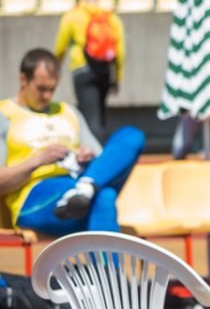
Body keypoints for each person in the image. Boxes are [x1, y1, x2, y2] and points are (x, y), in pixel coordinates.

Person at [0, 48, 144, 235]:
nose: (47, 96)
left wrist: (87, 158)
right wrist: (39, 160)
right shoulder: (4, 113)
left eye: (52, 89)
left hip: (77, 184)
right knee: (105, 197)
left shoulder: (68, 112)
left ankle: (85, 188)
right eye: (41, 89)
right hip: (34, 196)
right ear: (23, 79)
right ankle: (85, 192)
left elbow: (105, 162)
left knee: (131, 135)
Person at [53, 0, 124, 142]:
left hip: (82, 69)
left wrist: (55, 71)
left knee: (90, 119)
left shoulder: (73, 16)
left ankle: (97, 160)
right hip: (105, 71)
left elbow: (60, 47)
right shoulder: (111, 18)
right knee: (99, 115)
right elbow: (120, 52)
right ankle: (100, 151)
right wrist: (117, 78)